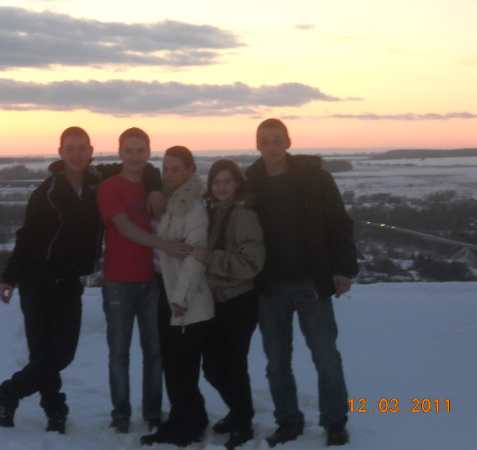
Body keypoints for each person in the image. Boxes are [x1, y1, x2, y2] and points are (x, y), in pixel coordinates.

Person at [0, 126, 160, 434]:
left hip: (69, 281)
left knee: (62, 354)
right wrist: (10, 278)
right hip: (38, 279)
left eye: (82, 148)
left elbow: (139, 166)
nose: (77, 154)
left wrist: (156, 188)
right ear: (60, 152)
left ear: (91, 151)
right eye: (70, 149)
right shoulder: (48, 191)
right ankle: (54, 409)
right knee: (43, 353)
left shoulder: (98, 179)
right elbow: (27, 236)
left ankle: (8, 393)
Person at [245, 118, 358, 447]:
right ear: (257, 144)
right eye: (264, 141)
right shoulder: (249, 183)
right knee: (276, 363)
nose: (270, 146)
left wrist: (343, 269)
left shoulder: (315, 178)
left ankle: (335, 422)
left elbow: (338, 223)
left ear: (288, 142)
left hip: (311, 283)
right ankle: (288, 421)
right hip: (269, 287)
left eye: (276, 139)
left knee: (326, 359)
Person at [96, 128, 188, 434]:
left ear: (148, 152)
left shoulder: (157, 187)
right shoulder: (109, 187)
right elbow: (123, 227)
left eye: (140, 151)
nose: (135, 157)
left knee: (155, 353)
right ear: (120, 152)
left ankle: (152, 413)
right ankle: (120, 413)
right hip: (118, 281)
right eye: (129, 150)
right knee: (118, 354)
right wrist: (164, 246)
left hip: (153, 281)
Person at [140, 146, 215, 447]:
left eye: (176, 169)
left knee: (181, 366)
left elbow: (195, 257)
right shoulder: (174, 200)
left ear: (190, 171)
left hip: (186, 298)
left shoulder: (192, 206)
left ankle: (183, 427)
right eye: (166, 169)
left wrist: (179, 299)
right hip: (169, 291)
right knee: (174, 363)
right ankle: (191, 419)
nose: (169, 174)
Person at [191, 159, 265, 450]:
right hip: (214, 301)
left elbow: (251, 263)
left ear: (237, 184)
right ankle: (237, 412)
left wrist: (210, 258)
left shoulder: (243, 215)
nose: (221, 187)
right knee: (212, 367)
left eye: (227, 181)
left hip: (238, 301)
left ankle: (243, 423)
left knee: (233, 367)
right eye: (216, 181)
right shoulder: (211, 212)